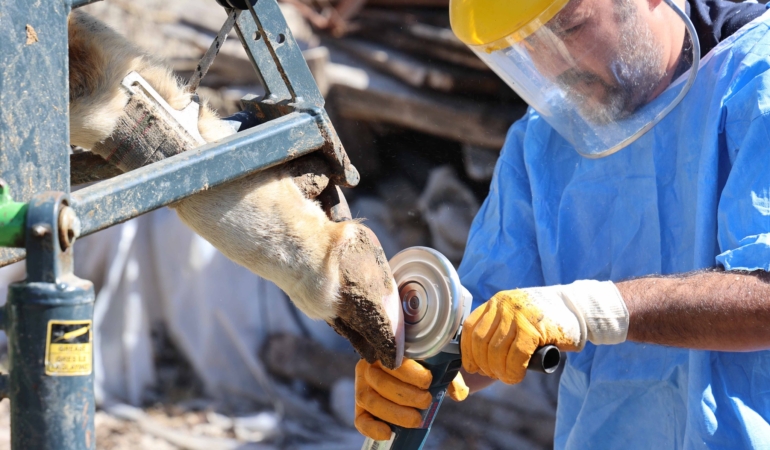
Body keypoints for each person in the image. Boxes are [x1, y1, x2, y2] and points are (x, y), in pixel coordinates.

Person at [353, 0, 770, 448]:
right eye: (529, 44)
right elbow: (484, 324)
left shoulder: (755, 75)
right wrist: (412, 366)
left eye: (569, 27)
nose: (555, 65)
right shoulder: (544, 137)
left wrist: (590, 309)